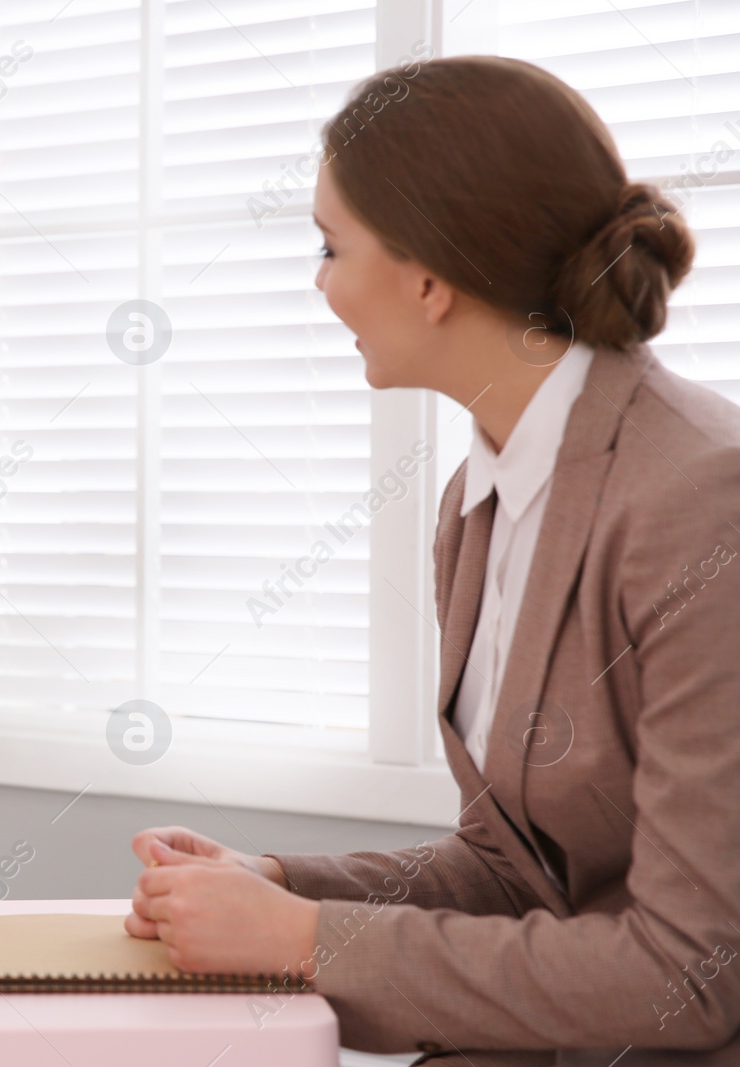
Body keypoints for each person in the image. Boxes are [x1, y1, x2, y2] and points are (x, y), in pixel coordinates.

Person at [127, 56, 740, 1064]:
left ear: (425, 278)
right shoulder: (477, 504)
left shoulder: (697, 498)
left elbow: (685, 975)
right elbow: (516, 875)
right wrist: (280, 881)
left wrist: (302, 941)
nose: (318, 281)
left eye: (329, 245)